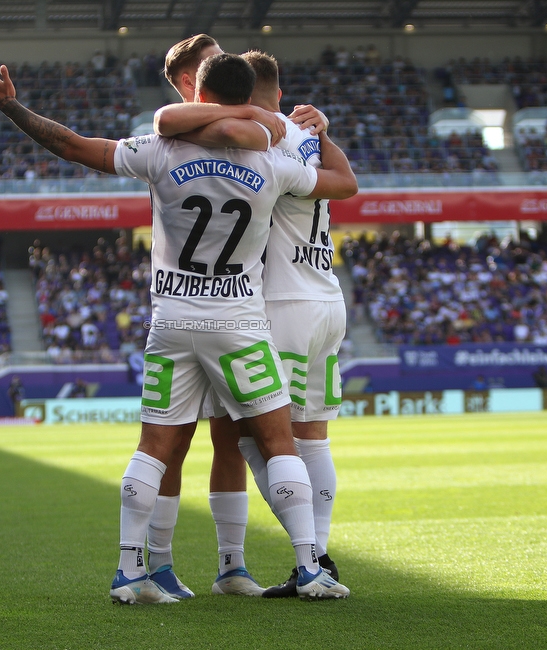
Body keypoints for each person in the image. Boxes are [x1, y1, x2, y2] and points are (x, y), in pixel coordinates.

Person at [0, 49, 356, 604]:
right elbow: (338, 184)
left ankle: (129, 570)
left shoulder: (158, 149)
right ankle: (310, 565)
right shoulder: (277, 159)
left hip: (173, 320)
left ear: (198, 94)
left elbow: (71, 145)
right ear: (249, 97)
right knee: (280, 442)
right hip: (238, 323)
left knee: (154, 448)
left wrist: (13, 108)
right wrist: (298, 128)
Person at [155, 49, 347, 598]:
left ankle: (306, 561)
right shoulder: (304, 137)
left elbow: (168, 125)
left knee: (254, 439)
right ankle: (315, 557)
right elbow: (346, 182)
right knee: (311, 438)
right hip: (325, 299)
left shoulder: (252, 136)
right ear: (281, 93)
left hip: (270, 304)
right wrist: (323, 132)